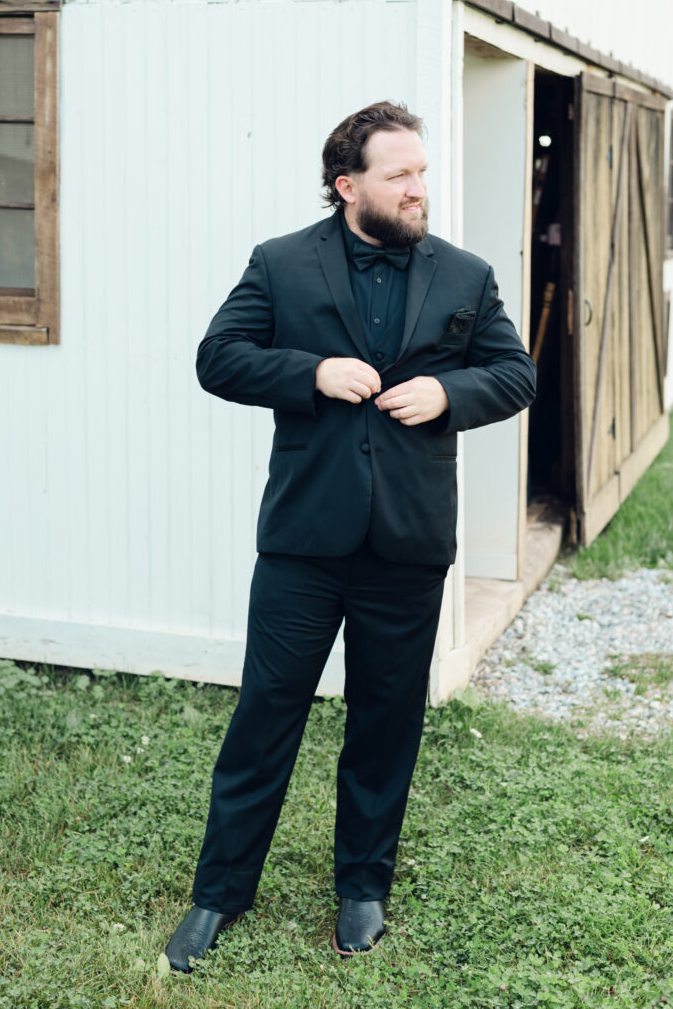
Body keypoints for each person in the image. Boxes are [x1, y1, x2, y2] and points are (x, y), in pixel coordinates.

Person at [165, 100, 536, 971]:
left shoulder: (466, 275)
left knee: (386, 723)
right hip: (303, 544)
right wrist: (312, 371)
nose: (419, 189)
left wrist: (451, 395)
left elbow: (514, 373)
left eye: (422, 171)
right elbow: (217, 357)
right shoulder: (281, 263)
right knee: (265, 718)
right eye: (399, 175)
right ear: (347, 186)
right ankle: (219, 894)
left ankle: (362, 889)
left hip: (407, 544)